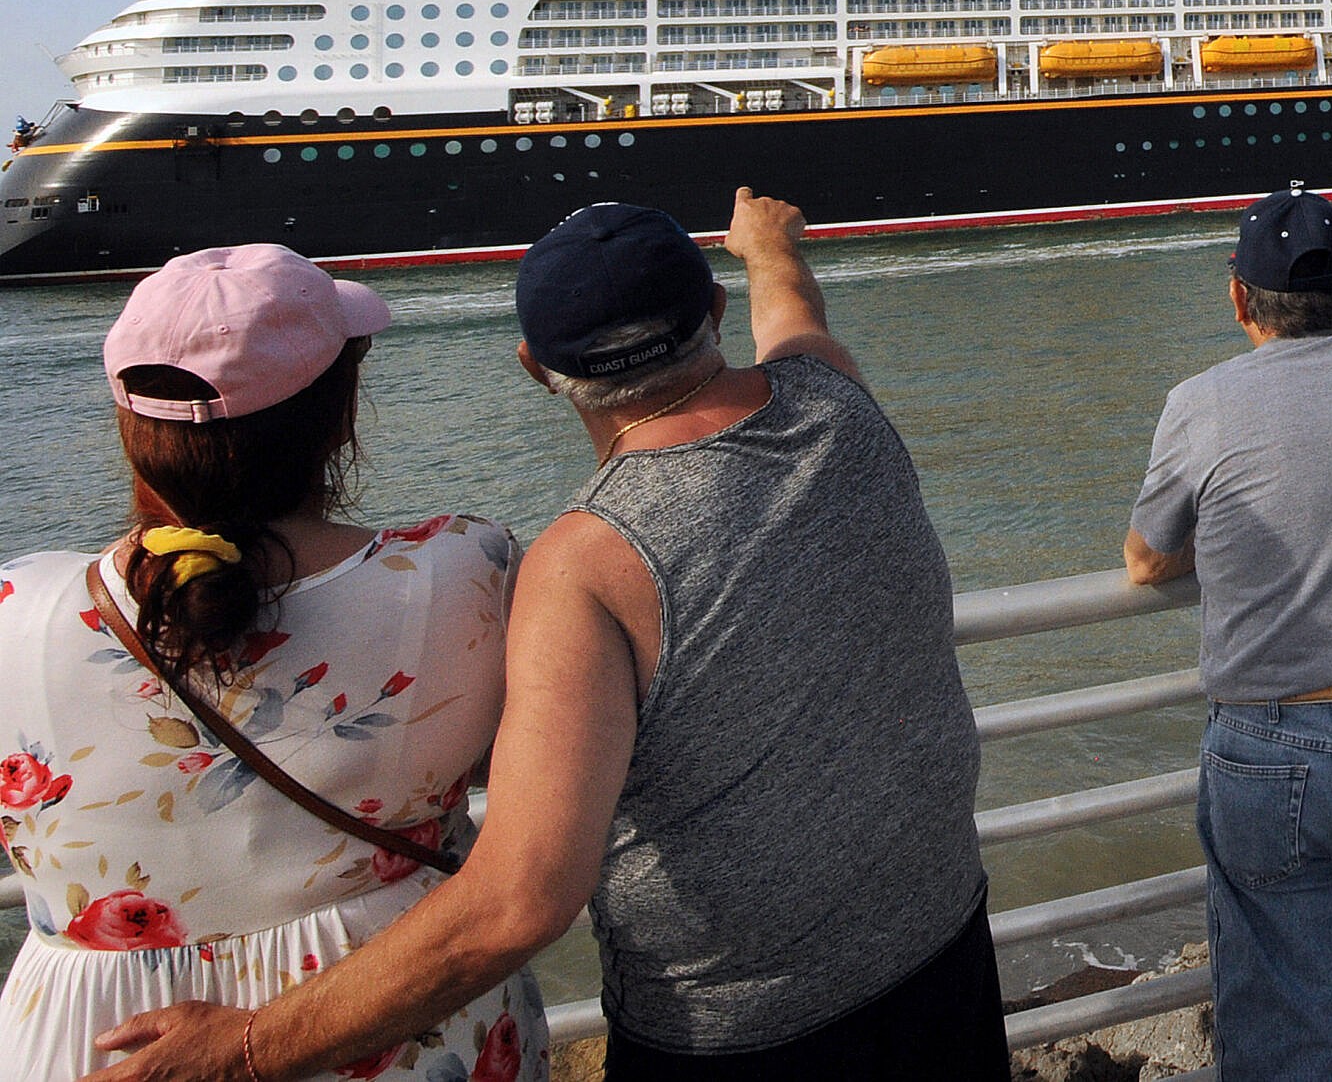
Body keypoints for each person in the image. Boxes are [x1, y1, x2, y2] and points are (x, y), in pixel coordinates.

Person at [90, 189, 1004, 1080]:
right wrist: (769, 246)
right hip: (944, 956)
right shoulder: (838, 401)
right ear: (714, 313)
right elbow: (793, 316)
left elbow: (521, 899)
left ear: (535, 368)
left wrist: (249, 1049)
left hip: (745, 1035)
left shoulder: (586, 560)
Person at [0, 244, 544, 1082]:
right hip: (389, 1021)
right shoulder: (462, 572)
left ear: (132, 431)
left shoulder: (15, 606)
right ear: (339, 419)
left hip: (95, 1046)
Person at [1126, 185, 1332, 1082]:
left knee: (1286, 1021)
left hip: (1270, 743)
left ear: (1240, 296)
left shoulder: (1198, 401)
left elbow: (1145, 561)